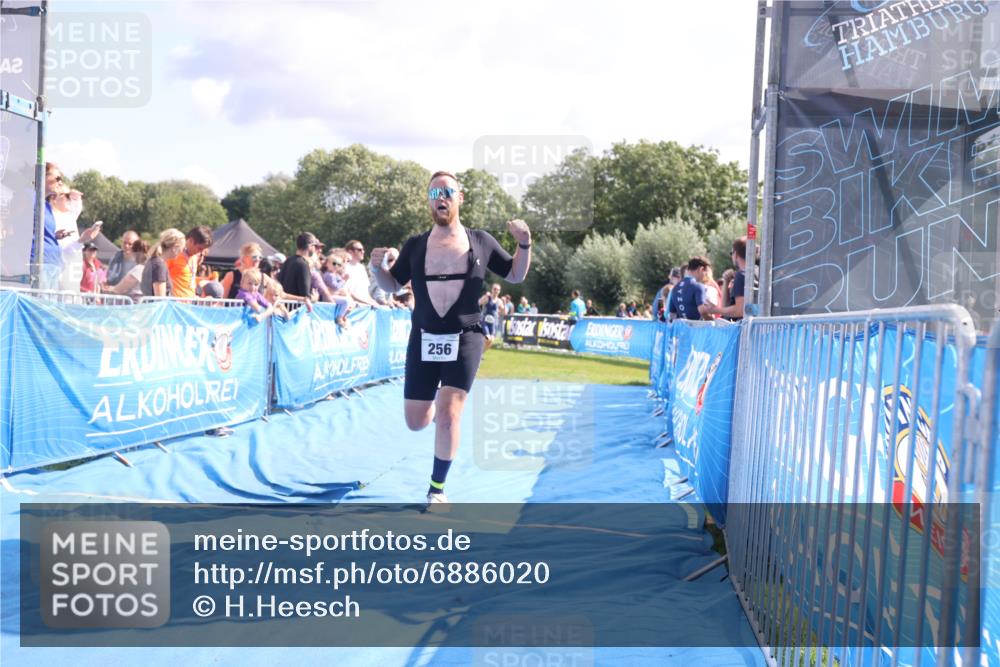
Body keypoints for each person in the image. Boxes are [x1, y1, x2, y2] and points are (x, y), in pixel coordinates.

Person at [370, 170, 531, 507]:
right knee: (416, 422)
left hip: (466, 336)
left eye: (446, 192)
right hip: (424, 336)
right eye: (433, 194)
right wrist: (376, 269)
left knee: (450, 414)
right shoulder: (414, 244)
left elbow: (515, 273)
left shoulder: (481, 240)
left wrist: (524, 243)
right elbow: (391, 285)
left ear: (460, 198)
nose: (440, 198)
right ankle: (433, 408)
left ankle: (436, 488)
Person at [706, 237, 749, 321]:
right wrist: (726, 282)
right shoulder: (757, 272)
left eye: (731, 253)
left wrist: (714, 310)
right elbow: (726, 307)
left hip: (742, 329)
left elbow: (740, 310)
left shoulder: (741, 275)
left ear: (735, 254)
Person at [167, 226, 213, 298]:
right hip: (174, 304)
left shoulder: (195, 257)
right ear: (191, 241)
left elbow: (188, 280)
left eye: (203, 249)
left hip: (189, 303)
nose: (201, 252)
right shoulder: (173, 254)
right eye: (200, 248)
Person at [278, 232, 319, 310]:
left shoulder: (288, 261)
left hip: (283, 309)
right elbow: (305, 295)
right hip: (295, 312)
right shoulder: (303, 264)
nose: (315, 249)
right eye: (315, 246)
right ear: (310, 246)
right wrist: (314, 298)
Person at [142, 228, 185, 297]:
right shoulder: (159, 265)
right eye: (182, 249)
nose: (182, 252)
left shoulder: (154, 261)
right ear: (175, 248)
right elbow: (160, 299)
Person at [668, 256, 713, 321]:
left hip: (683, 329)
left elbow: (672, 315)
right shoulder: (698, 286)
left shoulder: (675, 288)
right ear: (701, 269)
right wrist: (712, 322)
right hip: (697, 328)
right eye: (705, 273)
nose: (704, 276)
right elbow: (702, 310)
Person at [344, 240, 381, 308]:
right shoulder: (344, 268)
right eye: (359, 250)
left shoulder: (362, 268)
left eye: (363, 249)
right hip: (352, 309)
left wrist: (374, 302)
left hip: (365, 308)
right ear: (350, 252)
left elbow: (366, 293)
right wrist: (367, 303)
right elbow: (348, 292)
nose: (363, 252)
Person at [478, 283, 502, 349]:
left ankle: (480, 354)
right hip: (485, 321)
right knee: (487, 338)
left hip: (493, 323)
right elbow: (478, 303)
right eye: (495, 289)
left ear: (499, 291)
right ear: (492, 289)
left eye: (498, 290)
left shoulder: (499, 301)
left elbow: (503, 311)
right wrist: (482, 300)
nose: (496, 291)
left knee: (491, 340)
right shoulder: (487, 297)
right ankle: (478, 352)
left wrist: (501, 311)